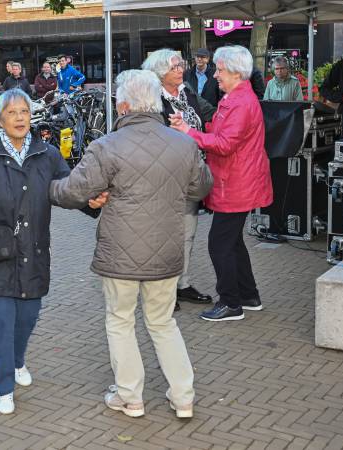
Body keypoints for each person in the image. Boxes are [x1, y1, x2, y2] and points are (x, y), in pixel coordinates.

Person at [50, 69, 212, 419]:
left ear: (122, 105)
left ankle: (130, 396)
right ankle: (183, 396)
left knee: (120, 320)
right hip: (166, 249)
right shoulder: (184, 144)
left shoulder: (106, 147)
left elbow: (72, 191)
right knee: (163, 321)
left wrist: (48, 186)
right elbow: (201, 188)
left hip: (120, 252)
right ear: (155, 103)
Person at [0, 89, 105, 415]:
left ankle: (17, 361)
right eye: (12, 113)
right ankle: (4, 386)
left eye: (24, 112)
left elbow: (66, 187)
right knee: (1, 322)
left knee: (27, 317)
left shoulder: (46, 153)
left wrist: (90, 201)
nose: (19, 118)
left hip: (33, 249)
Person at [170, 45, 273, 322]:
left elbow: (225, 144)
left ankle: (231, 303)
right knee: (233, 242)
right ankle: (248, 296)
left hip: (236, 183)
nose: (216, 75)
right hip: (236, 180)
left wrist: (187, 132)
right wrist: (194, 128)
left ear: (237, 73)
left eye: (220, 70)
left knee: (219, 244)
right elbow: (220, 131)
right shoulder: (236, 98)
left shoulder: (240, 102)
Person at [142, 48, 215, 309]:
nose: (180, 69)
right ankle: (163, 290)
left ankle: (182, 284)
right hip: (164, 177)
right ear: (160, 72)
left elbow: (211, 114)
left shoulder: (188, 92)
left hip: (190, 173)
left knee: (188, 232)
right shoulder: (151, 99)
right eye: (174, 67)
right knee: (163, 235)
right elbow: (146, 136)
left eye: (180, 65)